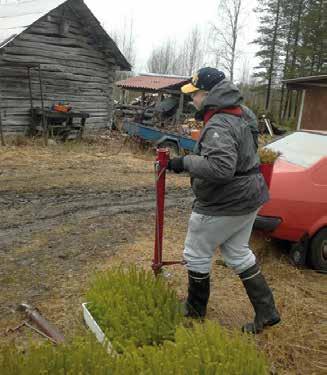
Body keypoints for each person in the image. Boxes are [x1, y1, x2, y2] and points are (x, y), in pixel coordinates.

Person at [167, 67, 280, 334]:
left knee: (195, 253)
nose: (192, 99)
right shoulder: (243, 112)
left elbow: (221, 168)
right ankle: (267, 311)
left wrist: (185, 162)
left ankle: (195, 310)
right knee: (238, 252)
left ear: (207, 94)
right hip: (250, 196)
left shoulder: (219, 123)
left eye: (194, 94)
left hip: (224, 202)